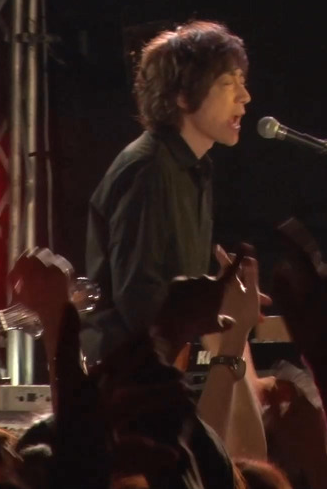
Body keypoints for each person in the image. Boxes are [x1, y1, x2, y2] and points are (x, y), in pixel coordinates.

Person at [81, 20, 251, 363]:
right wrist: (212, 310)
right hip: (127, 374)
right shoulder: (148, 170)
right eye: (227, 83)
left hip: (162, 366)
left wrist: (219, 300)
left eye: (242, 82)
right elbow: (139, 302)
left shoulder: (196, 167)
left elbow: (177, 292)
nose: (244, 96)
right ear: (183, 96)